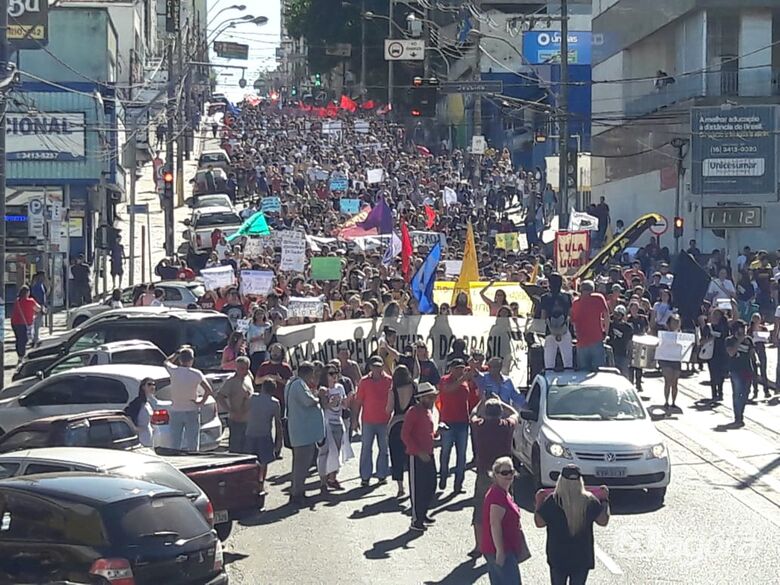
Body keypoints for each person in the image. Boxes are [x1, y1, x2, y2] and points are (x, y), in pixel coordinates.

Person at [534, 465, 610, 585]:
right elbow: (603, 521)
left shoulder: (553, 501)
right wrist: (605, 500)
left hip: (557, 557)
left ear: (561, 481)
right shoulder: (589, 501)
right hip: (582, 557)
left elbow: (539, 523)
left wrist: (538, 502)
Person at [470, 398, 519, 558]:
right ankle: (505, 542)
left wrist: (481, 402)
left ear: (486, 413)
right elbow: (515, 414)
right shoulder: (506, 426)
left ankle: (479, 546)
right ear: (500, 412)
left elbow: (473, 415)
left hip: (485, 472)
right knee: (505, 508)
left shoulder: (479, 426)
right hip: (504, 474)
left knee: (480, 508)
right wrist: (502, 402)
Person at [285, 362, 326, 505]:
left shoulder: (292, 383)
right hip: (302, 431)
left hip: (300, 430)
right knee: (302, 464)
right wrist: (318, 397)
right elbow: (308, 401)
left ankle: (298, 490)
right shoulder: (299, 385)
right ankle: (297, 493)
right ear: (308, 373)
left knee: (299, 463)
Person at [400, 382, 439, 533]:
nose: (433, 399)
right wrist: (418, 451)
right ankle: (416, 519)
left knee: (431, 486)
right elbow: (405, 435)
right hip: (416, 456)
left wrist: (436, 435)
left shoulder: (428, 411)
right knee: (418, 488)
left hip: (429, 453)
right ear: (422, 398)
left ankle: (423, 513)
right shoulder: (413, 412)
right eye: (430, 397)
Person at [480, 456, 525, 584]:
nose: (509, 475)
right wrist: (500, 551)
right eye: (504, 473)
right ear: (495, 474)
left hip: (506, 548)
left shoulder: (504, 492)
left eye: (511, 471)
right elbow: (494, 524)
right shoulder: (496, 496)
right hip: (500, 550)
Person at [164, 346, 214, 451]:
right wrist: (201, 402)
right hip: (192, 409)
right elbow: (209, 390)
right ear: (192, 359)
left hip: (176, 410)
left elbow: (166, 362)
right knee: (193, 442)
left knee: (175, 442)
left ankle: (176, 461)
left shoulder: (174, 370)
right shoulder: (196, 373)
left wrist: (177, 353)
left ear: (180, 360)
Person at [353, 355, 392, 487]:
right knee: (366, 449)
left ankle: (381, 475)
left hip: (385, 421)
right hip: (368, 421)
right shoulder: (364, 382)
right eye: (374, 366)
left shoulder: (389, 381)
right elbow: (358, 401)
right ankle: (365, 476)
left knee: (384, 449)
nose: (377, 369)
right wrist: (355, 419)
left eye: (379, 366)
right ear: (370, 367)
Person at [317, 365, 353, 492]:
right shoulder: (323, 389)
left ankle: (332, 478)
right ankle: (323, 481)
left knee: (336, 452)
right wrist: (330, 401)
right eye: (331, 373)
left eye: (336, 373)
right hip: (326, 423)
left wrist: (347, 400)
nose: (334, 376)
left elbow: (344, 405)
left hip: (338, 422)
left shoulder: (340, 387)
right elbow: (324, 406)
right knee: (325, 453)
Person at [437, 359, 472, 493]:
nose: (459, 370)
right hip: (448, 421)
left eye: (462, 368)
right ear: (450, 369)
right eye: (457, 368)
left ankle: (458, 484)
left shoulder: (466, 382)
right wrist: (463, 378)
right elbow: (447, 390)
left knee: (461, 455)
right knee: (445, 452)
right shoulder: (445, 379)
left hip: (463, 422)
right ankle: (443, 475)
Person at [245, 380, 283, 494]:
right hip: (264, 434)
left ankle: (250, 484)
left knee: (250, 461)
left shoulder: (253, 398)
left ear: (262, 388)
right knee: (264, 462)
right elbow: (278, 423)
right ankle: (261, 484)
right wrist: (279, 441)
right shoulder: (275, 403)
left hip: (250, 433)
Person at [388, 365, 417, 498]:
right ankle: (413, 486)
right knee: (411, 456)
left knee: (396, 457)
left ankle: (400, 487)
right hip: (411, 424)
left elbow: (388, 410)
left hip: (396, 424)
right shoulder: (414, 386)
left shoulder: (392, 390)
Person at [217, 356, 253, 453]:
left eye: (246, 368)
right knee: (236, 449)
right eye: (241, 368)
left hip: (249, 421)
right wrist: (230, 410)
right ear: (236, 368)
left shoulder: (248, 377)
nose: (244, 371)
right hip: (237, 420)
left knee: (248, 449)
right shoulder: (231, 381)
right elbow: (220, 396)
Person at [571, 280, 609, 371]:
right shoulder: (598, 298)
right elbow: (606, 315)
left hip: (581, 342)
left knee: (583, 372)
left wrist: (576, 335)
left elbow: (573, 322)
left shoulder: (576, 302)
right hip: (597, 339)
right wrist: (605, 332)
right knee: (599, 372)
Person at [726, 320, 756, 427]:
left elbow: (752, 354)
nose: (744, 330)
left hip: (747, 369)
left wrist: (756, 362)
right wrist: (739, 341)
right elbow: (731, 353)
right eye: (742, 328)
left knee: (746, 392)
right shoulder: (730, 340)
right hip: (735, 370)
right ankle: (738, 416)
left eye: (745, 328)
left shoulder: (749, 340)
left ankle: (741, 410)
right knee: (737, 393)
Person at [540, 272, 573, 370]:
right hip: (565, 330)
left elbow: (543, 316)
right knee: (568, 362)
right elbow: (570, 315)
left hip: (549, 331)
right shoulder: (567, 296)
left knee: (549, 362)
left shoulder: (544, 297)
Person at [255, 343, 294, 407]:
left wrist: (279, 379)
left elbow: (291, 384)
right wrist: (268, 377)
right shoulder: (264, 366)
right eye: (273, 351)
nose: (275, 353)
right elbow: (257, 381)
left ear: (282, 353)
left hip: (281, 401)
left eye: (277, 351)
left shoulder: (286, 367)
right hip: (265, 401)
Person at [658, 314, 683, 410]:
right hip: (666, 360)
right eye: (674, 322)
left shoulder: (681, 335)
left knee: (675, 382)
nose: (675, 324)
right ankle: (666, 401)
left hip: (676, 360)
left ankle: (673, 402)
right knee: (668, 381)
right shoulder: (664, 335)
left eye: (677, 322)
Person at [124, 378, 158, 448]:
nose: (152, 387)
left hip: (149, 434)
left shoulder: (148, 402)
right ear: (143, 387)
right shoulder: (138, 402)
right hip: (141, 436)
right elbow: (127, 415)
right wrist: (134, 428)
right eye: (149, 384)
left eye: (153, 384)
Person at [10, 286, 40, 358]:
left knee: (19, 339)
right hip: (24, 323)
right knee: (24, 340)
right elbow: (38, 309)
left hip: (15, 323)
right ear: (27, 293)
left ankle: (19, 354)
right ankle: (21, 355)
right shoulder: (31, 301)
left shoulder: (17, 301)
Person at [607, 305, 633, 378]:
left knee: (624, 375)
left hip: (622, 354)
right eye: (615, 314)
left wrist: (630, 355)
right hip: (611, 354)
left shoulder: (628, 328)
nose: (615, 316)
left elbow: (630, 343)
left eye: (618, 314)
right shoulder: (610, 324)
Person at [247, 307, 272, 373]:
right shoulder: (251, 326)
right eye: (258, 314)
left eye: (261, 314)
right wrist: (259, 338)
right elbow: (249, 339)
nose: (260, 316)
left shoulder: (268, 326)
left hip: (265, 351)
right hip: (254, 351)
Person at [29, 272, 47, 346]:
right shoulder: (37, 285)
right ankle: (35, 338)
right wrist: (41, 306)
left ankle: (35, 338)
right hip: (38, 305)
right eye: (43, 276)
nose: (44, 278)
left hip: (39, 305)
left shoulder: (40, 284)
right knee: (37, 323)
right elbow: (39, 297)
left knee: (37, 323)